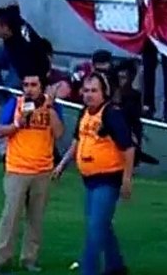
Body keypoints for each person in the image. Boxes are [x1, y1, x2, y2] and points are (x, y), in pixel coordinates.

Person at [53, 73, 136, 275]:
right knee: (101, 224)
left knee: (95, 228)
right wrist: (62, 165)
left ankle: (88, 271)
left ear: (104, 93)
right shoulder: (85, 113)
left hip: (107, 178)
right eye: (86, 90)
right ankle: (115, 266)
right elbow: (77, 141)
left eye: (94, 91)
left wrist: (126, 179)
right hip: (90, 179)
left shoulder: (111, 114)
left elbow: (129, 148)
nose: (89, 95)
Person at [0, 72, 64, 273]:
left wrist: (49, 107)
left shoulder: (52, 107)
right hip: (17, 169)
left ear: (42, 87)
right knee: (10, 215)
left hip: (42, 170)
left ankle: (29, 258)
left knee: (36, 218)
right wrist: (17, 124)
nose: (29, 88)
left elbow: (59, 133)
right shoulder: (16, 104)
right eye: (26, 84)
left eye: (33, 84)